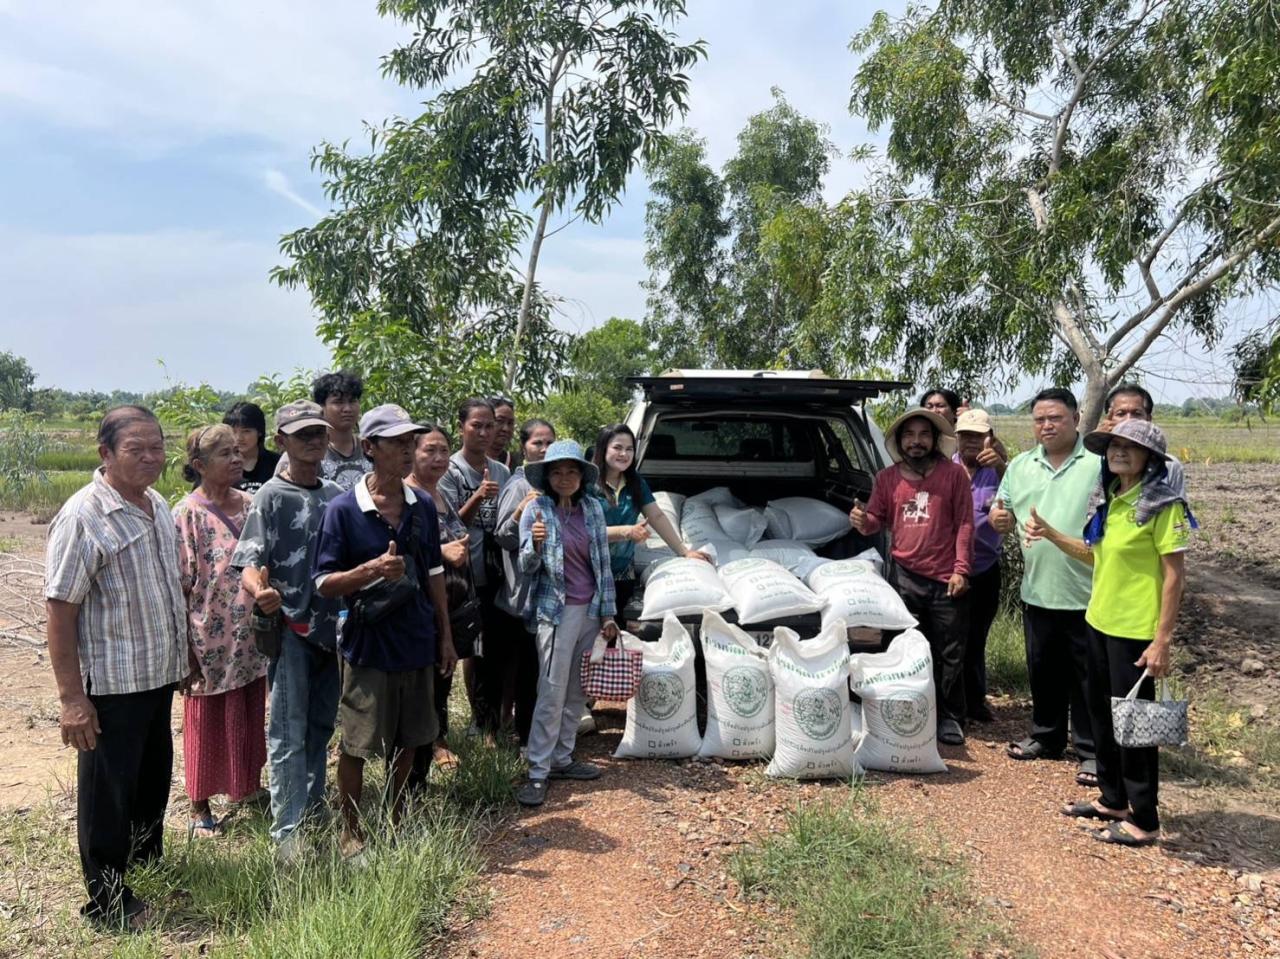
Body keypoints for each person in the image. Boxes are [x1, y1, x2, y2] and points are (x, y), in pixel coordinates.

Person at [44, 406, 188, 930]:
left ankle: (146, 864)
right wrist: (70, 699)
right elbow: (60, 607)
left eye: (157, 446)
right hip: (113, 681)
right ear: (105, 454)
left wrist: (185, 652)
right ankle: (106, 899)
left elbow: (168, 589)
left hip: (159, 672)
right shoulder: (84, 516)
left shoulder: (157, 505)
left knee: (151, 777)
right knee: (108, 792)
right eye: (136, 449)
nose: (151, 457)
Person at [1025, 419, 1193, 846]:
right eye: (1113, 447)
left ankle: (1145, 819)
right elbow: (1095, 556)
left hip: (1135, 632)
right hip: (1098, 622)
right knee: (1101, 716)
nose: (1119, 453)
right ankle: (1112, 799)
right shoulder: (1111, 499)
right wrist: (1051, 534)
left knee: (1136, 727)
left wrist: (1162, 640)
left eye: (1129, 448)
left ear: (1150, 458)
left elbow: (1174, 576)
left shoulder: (1162, 504)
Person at [314, 404, 457, 860]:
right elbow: (323, 583)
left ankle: (397, 819)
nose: (406, 450)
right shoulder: (342, 509)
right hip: (368, 643)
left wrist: (445, 635)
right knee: (358, 743)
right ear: (370, 448)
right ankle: (351, 830)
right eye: (396, 443)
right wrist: (371, 570)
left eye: (409, 441)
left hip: (415, 637)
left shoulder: (423, 507)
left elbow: (434, 571)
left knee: (412, 737)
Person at [231, 400, 345, 863]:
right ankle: (288, 832)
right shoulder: (271, 497)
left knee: (320, 726)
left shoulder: (336, 493)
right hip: (293, 628)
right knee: (286, 731)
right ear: (282, 441)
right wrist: (261, 591)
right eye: (303, 435)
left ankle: (313, 806)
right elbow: (247, 562)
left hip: (331, 629)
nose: (314, 440)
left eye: (318, 432)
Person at [991, 388, 1099, 787]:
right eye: (1039, 420)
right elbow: (1000, 509)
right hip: (1037, 590)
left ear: (1075, 418)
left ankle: (1090, 750)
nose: (1047, 426)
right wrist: (997, 519)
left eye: (1055, 418)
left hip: (1089, 593)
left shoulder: (1098, 464)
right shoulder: (1021, 465)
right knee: (1044, 669)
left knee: (1087, 676)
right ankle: (1047, 737)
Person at [849, 408, 973, 745]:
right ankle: (905, 710)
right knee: (903, 647)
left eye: (923, 435)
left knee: (949, 652)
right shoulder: (888, 479)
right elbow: (877, 519)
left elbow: (964, 522)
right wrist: (862, 521)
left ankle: (949, 718)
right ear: (900, 441)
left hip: (947, 577)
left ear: (934, 440)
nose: (916, 442)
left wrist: (962, 569)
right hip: (904, 575)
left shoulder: (953, 475)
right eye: (909, 435)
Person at [173, 425, 269, 840]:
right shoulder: (186, 514)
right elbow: (179, 585)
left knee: (249, 709)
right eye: (224, 454)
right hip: (207, 638)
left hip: (248, 635)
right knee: (207, 718)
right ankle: (200, 806)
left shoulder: (250, 505)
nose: (236, 459)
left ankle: (245, 788)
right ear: (199, 465)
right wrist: (185, 651)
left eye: (237, 451)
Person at [516, 441, 618, 807]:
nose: (564, 478)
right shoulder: (537, 510)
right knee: (552, 691)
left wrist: (608, 614)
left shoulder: (591, 509)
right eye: (556, 472)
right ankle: (537, 771)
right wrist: (536, 546)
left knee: (578, 690)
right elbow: (526, 567)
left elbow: (603, 565)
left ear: (581, 476)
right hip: (555, 613)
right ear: (546, 476)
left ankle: (562, 758)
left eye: (571, 471)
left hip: (590, 610)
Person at [439, 398, 512, 738]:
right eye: (476, 425)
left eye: (490, 425)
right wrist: (479, 496)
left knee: (490, 651)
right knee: (461, 648)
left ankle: (487, 722)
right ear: (461, 427)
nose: (484, 432)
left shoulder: (502, 471)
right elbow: (451, 524)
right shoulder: (449, 470)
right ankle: (463, 723)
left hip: (493, 575)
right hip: (459, 578)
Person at [590, 424, 711, 623]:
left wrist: (684, 551)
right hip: (588, 573)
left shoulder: (635, 483)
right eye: (617, 448)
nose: (624, 454)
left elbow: (657, 517)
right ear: (603, 448)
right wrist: (625, 532)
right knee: (589, 635)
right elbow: (580, 532)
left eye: (629, 449)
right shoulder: (587, 484)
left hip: (621, 573)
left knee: (616, 634)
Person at [406, 423, 474, 774]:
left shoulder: (440, 494)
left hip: (450, 605)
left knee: (444, 676)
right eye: (429, 450)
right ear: (411, 453)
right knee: (424, 681)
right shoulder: (407, 495)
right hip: (421, 607)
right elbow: (402, 554)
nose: (438, 458)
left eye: (444, 450)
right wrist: (441, 551)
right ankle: (426, 748)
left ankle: (438, 738)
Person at [494, 418, 558, 748]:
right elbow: (503, 536)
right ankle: (521, 739)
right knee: (522, 673)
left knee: (538, 671)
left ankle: (534, 735)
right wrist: (522, 509)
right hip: (521, 597)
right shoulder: (519, 486)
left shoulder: (555, 483)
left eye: (549, 442)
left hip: (546, 597)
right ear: (524, 447)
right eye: (537, 443)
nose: (544, 449)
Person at [953, 409, 1003, 723]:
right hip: (953, 568)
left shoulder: (999, 471)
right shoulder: (945, 470)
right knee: (952, 637)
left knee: (977, 637)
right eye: (966, 435)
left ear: (989, 437)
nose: (971, 442)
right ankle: (952, 705)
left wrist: (1002, 465)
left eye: (978, 435)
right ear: (956, 438)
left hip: (986, 566)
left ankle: (976, 701)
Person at [274, 371, 371, 490]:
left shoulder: (370, 448)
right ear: (321, 406)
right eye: (338, 402)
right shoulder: (300, 453)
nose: (347, 408)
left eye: (352, 401)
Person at [1100, 383, 1186, 495]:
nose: (1129, 420)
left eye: (1137, 414)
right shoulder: (1099, 461)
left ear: (1148, 419)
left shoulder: (1169, 466)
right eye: (1121, 414)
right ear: (1109, 418)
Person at [922, 388, 1007, 470]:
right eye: (929, 406)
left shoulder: (962, 438)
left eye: (940, 406)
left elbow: (1002, 457)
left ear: (955, 411)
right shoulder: (919, 438)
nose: (934, 411)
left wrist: (971, 420)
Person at [222, 401, 280, 494]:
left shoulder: (278, 463)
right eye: (233, 431)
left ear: (259, 432)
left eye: (246, 431)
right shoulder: (220, 465)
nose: (239, 438)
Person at [487, 396, 521, 471]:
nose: (506, 428)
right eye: (499, 421)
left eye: (510, 423)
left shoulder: (516, 464)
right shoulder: (470, 460)